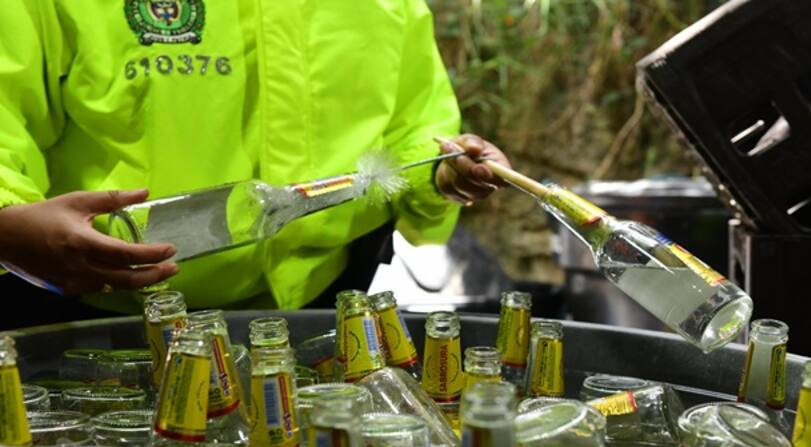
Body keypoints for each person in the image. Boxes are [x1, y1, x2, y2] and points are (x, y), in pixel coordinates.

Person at [0, 0, 510, 326]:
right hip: (90, 317)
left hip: (324, 312)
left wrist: (441, 172)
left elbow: (413, 125)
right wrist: (7, 222)